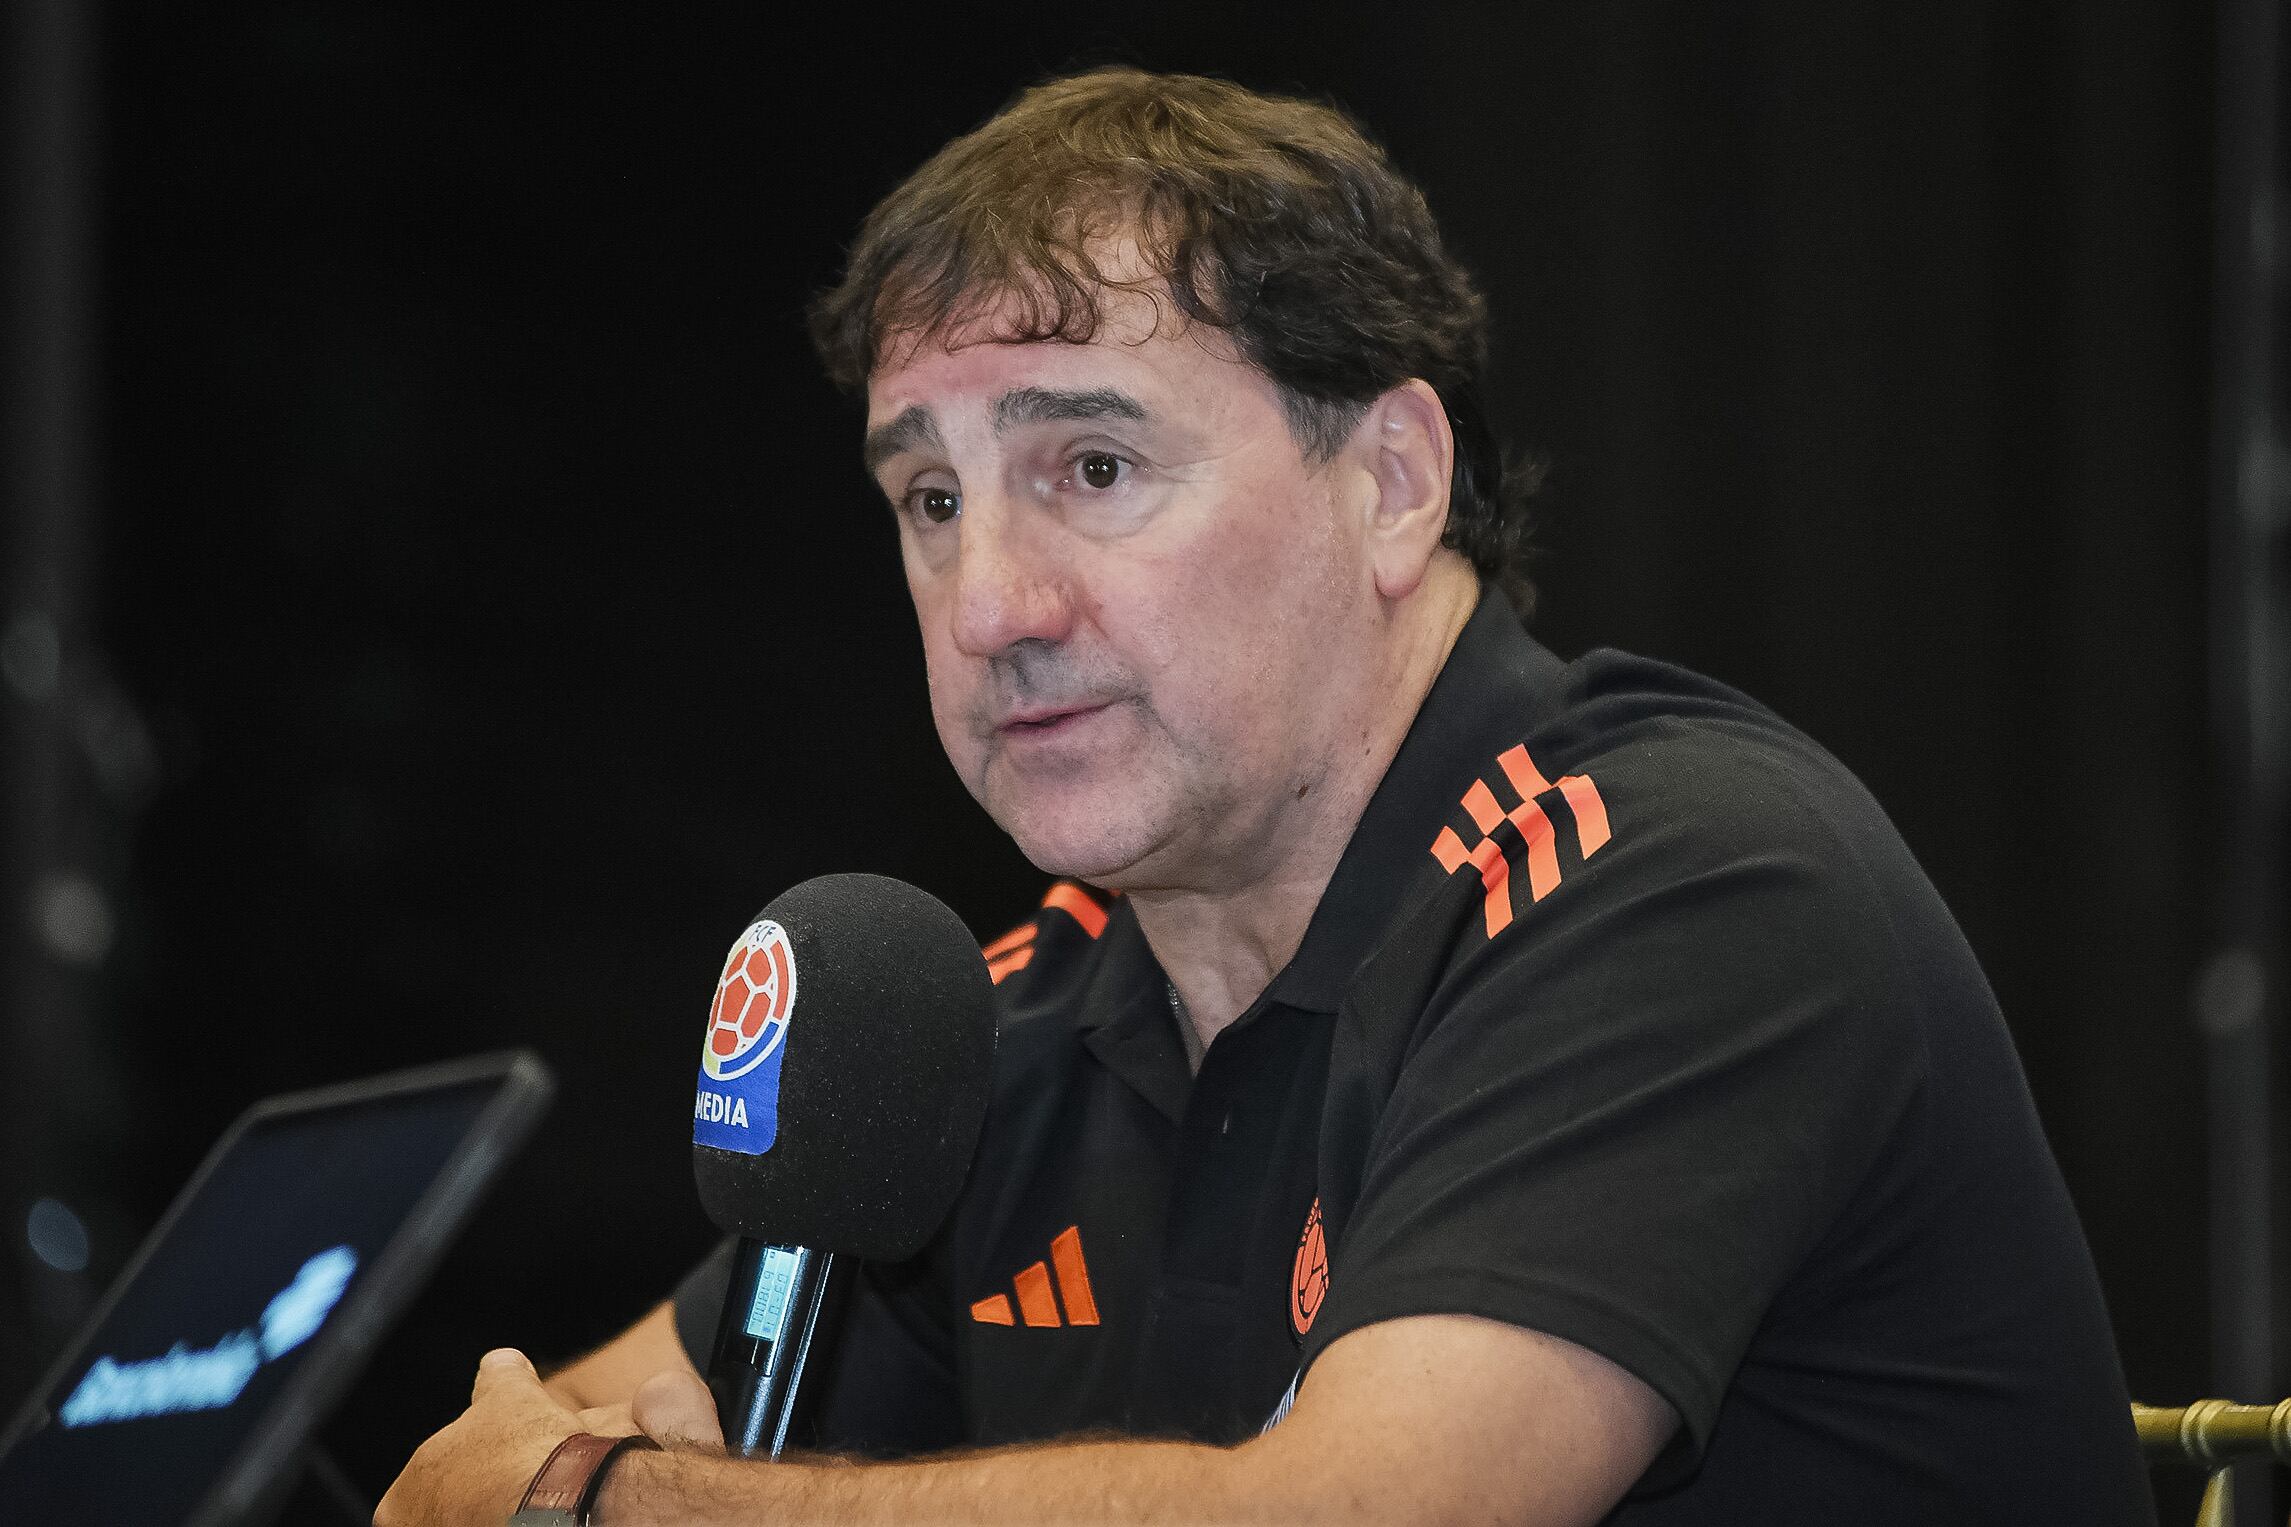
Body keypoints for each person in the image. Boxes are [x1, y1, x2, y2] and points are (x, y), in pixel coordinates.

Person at [379, 68, 2154, 1525]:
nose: (993, 602)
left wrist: (614, 1511)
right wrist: (562, 1473)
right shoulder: (1011, 1030)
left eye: (1093, 464)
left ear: (1390, 480)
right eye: (931, 501)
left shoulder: (1684, 880)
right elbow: (563, 1430)